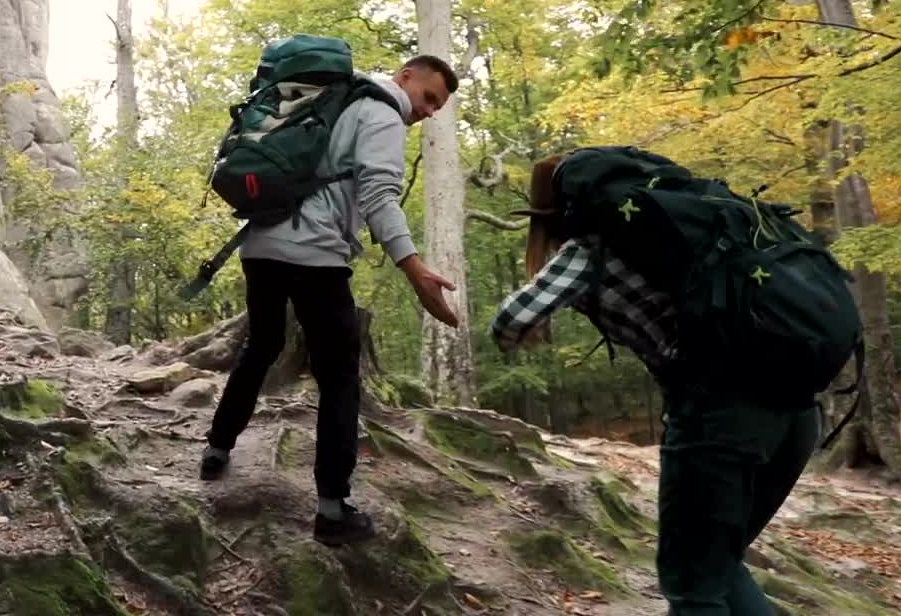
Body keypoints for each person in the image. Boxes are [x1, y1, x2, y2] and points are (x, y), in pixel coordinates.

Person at [488, 154, 824, 615]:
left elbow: (510, 322)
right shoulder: (692, 231)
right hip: (797, 410)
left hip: (717, 420)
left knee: (694, 590)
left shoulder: (587, 251)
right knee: (716, 565)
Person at [198, 55, 463, 547]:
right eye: (429, 98)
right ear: (406, 76)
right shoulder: (381, 112)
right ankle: (332, 509)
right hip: (315, 252)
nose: (428, 111)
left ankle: (216, 449)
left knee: (262, 345)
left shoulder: (329, 98)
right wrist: (414, 267)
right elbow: (380, 197)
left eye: (438, 107)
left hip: (260, 245)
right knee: (340, 376)